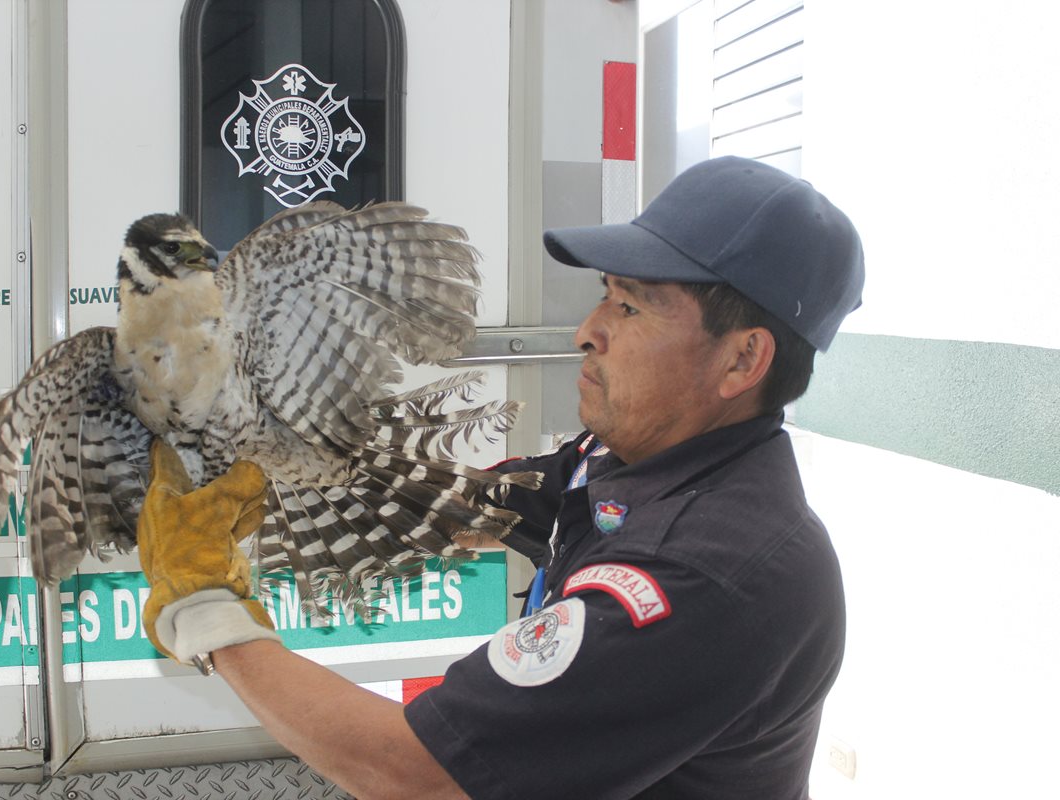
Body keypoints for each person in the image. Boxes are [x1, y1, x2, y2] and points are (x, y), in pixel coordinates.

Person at [136, 155, 864, 799]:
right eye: (606, 293)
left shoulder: (707, 576)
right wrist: (293, 473)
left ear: (742, 360)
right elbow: (490, 496)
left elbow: (415, 774)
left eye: (631, 306)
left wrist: (207, 612)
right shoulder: (644, 461)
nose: (589, 328)